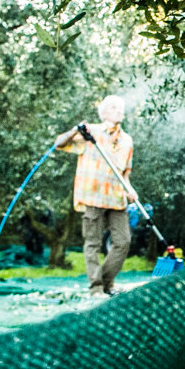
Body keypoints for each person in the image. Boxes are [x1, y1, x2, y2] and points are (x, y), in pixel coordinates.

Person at [55, 95, 137, 296]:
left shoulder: (127, 140)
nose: (120, 111)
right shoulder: (90, 133)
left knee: (123, 241)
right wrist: (75, 129)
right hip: (93, 196)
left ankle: (106, 282)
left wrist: (130, 189)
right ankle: (96, 288)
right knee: (92, 243)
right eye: (115, 108)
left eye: (121, 108)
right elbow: (59, 143)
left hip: (117, 198)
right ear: (105, 112)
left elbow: (125, 173)